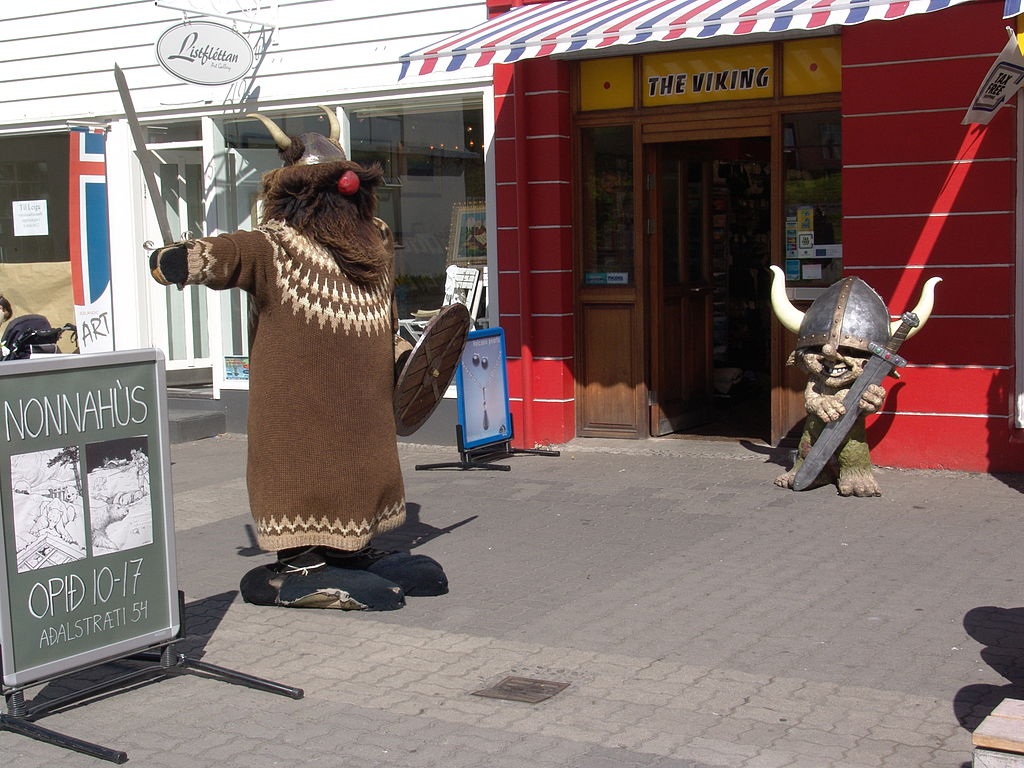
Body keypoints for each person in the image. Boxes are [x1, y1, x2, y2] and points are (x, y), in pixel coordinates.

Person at [149, 109, 445, 609]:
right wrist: (183, 259)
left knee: (363, 473)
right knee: (304, 474)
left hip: (366, 406)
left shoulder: (374, 241)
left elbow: (387, 315)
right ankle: (301, 563)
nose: (345, 194)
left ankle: (351, 552)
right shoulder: (274, 245)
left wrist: (404, 359)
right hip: (300, 407)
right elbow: (231, 253)